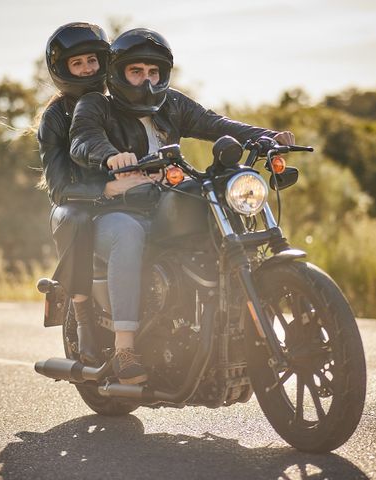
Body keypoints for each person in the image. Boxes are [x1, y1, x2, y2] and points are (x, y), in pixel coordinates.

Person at [69, 28, 295, 384]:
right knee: (128, 235)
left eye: (153, 72)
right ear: (118, 73)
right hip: (114, 210)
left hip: (164, 201)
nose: (147, 80)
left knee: (214, 212)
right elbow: (83, 140)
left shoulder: (171, 103)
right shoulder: (97, 105)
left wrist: (263, 136)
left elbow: (215, 123)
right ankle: (125, 347)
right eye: (136, 71)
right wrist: (110, 156)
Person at [37, 22, 114, 365]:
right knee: (79, 220)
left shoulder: (119, 101)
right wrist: (104, 189)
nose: (87, 69)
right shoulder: (55, 116)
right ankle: (84, 319)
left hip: (130, 196)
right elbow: (58, 187)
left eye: (91, 61)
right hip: (78, 203)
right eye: (77, 63)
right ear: (63, 69)